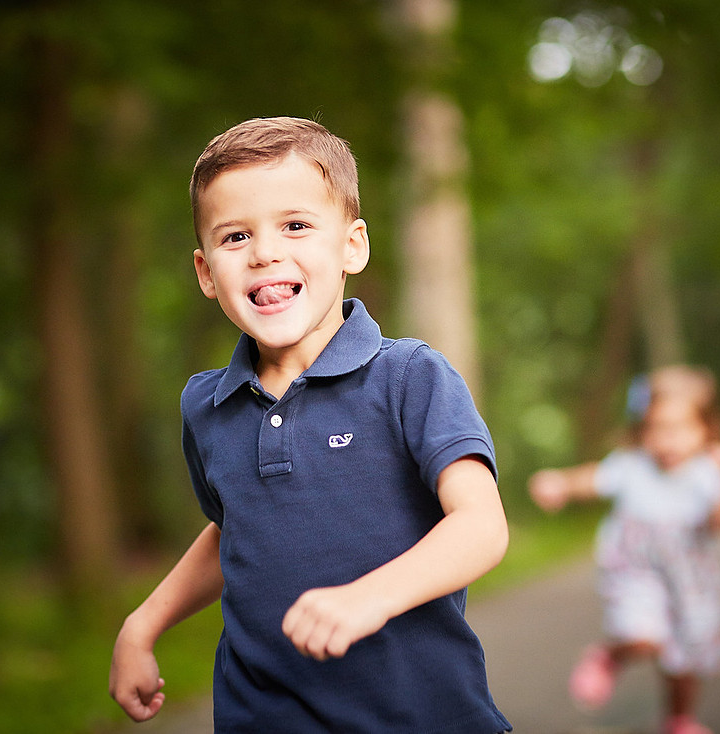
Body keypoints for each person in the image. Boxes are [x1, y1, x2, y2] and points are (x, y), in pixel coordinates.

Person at [109, 117, 512, 733]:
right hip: (262, 715)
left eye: (295, 225)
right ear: (205, 271)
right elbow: (233, 528)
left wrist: (368, 597)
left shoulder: (409, 378)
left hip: (419, 715)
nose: (266, 252)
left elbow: (481, 526)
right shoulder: (207, 407)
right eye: (236, 236)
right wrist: (144, 623)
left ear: (352, 245)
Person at [528, 366, 720, 734]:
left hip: (690, 581)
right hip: (636, 571)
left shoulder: (709, 472)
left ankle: (679, 720)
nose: (666, 441)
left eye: (680, 429)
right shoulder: (632, 466)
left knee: (683, 661)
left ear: (706, 430)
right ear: (642, 429)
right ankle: (608, 656)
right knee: (644, 638)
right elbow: (593, 479)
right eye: (656, 428)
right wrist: (561, 483)